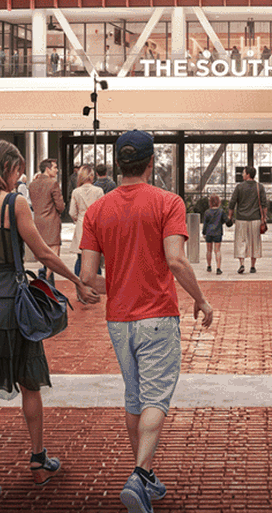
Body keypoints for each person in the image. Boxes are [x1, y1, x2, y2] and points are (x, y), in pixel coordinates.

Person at [0, 141, 99, 500]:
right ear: (4, 169)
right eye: (16, 171)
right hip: (13, 304)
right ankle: (38, 461)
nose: (19, 177)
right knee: (30, 382)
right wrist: (76, 281)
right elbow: (42, 251)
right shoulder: (15, 203)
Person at [76, 130, 215, 513]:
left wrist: (118, 284)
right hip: (157, 314)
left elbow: (88, 277)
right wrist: (201, 300)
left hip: (118, 319)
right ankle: (139, 476)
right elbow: (176, 260)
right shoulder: (167, 202)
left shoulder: (97, 211)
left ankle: (147, 474)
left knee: (135, 395)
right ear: (151, 162)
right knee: (156, 397)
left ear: (119, 163)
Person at [27, 158, 68, 283]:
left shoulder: (32, 184)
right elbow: (60, 206)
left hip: (38, 221)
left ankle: (45, 280)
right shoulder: (52, 183)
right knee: (54, 256)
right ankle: (43, 280)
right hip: (52, 221)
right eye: (55, 167)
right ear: (48, 168)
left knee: (43, 254)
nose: (57, 170)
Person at [230, 166, 265, 274]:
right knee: (254, 242)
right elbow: (264, 204)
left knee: (241, 241)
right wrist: (264, 218)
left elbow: (232, 203)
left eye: (244, 173)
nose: (242, 174)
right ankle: (253, 266)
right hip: (255, 219)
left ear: (248, 174)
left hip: (241, 219)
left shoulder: (239, 187)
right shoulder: (260, 187)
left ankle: (242, 264)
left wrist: (230, 216)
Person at [69, 166, 103, 276]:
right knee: (95, 258)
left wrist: (77, 218)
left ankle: (79, 284)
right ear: (91, 176)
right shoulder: (98, 191)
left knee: (80, 257)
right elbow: (103, 210)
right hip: (95, 224)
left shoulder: (76, 192)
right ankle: (95, 285)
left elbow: (72, 212)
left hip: (81, 223)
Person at [201, 196, 226, 273]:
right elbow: (225, 220)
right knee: (217, 250)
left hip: (209, 232)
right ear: (219, 202)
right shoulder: (221, 211)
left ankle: (209, 266)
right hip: (218, 232)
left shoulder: (207, 212)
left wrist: (204, 232)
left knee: (209, 250)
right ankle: (218, 268)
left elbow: (205, 223)